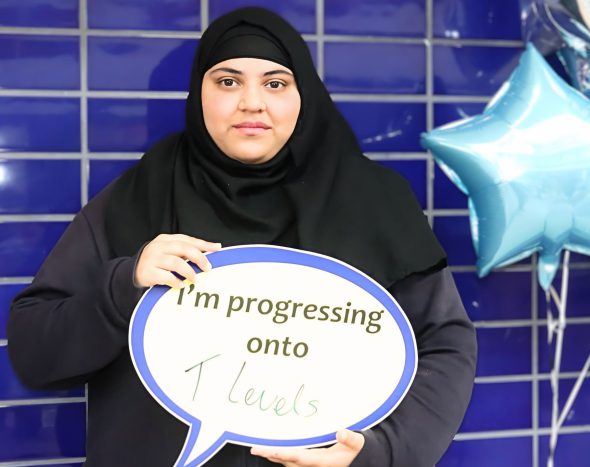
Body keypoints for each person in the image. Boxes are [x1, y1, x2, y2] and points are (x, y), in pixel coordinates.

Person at [7, 7, 476, 467]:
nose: (252, 102)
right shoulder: (137, 199)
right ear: (200, 95)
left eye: (275, 83)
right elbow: (35, 352)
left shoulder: (374, 202)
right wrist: (123, 286)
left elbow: (445, 343)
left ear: (303, 95)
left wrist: (383, 453)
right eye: (228, 82)